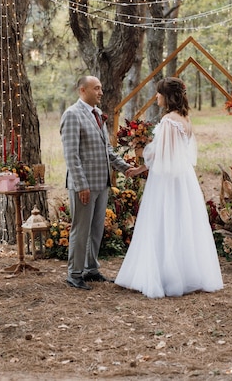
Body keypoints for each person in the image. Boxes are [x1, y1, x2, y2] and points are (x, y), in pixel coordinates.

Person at [115, 77, 223, 298]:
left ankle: (164, 277)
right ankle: (186, 273)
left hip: (165, 179)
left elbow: (161, 154)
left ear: (167, 96)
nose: (156, 97)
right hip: (184, 178)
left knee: (162, 220)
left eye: (158, 93)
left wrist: (140, 157)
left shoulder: (168, 121)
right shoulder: (185, 119)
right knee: (182, 221)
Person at [60, 76, 136, 290]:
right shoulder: (73, 115)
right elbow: (71, 155)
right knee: (80, 229)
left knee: (96, 229)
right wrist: (81, 184)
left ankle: (90, 268)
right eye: (97, 88)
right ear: (82, 90)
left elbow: (107, 151)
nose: (101, 92)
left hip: (101, 183)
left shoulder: (97, 115)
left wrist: (125, 168)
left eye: (101, 88)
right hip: (83, 185)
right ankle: (74, 274)